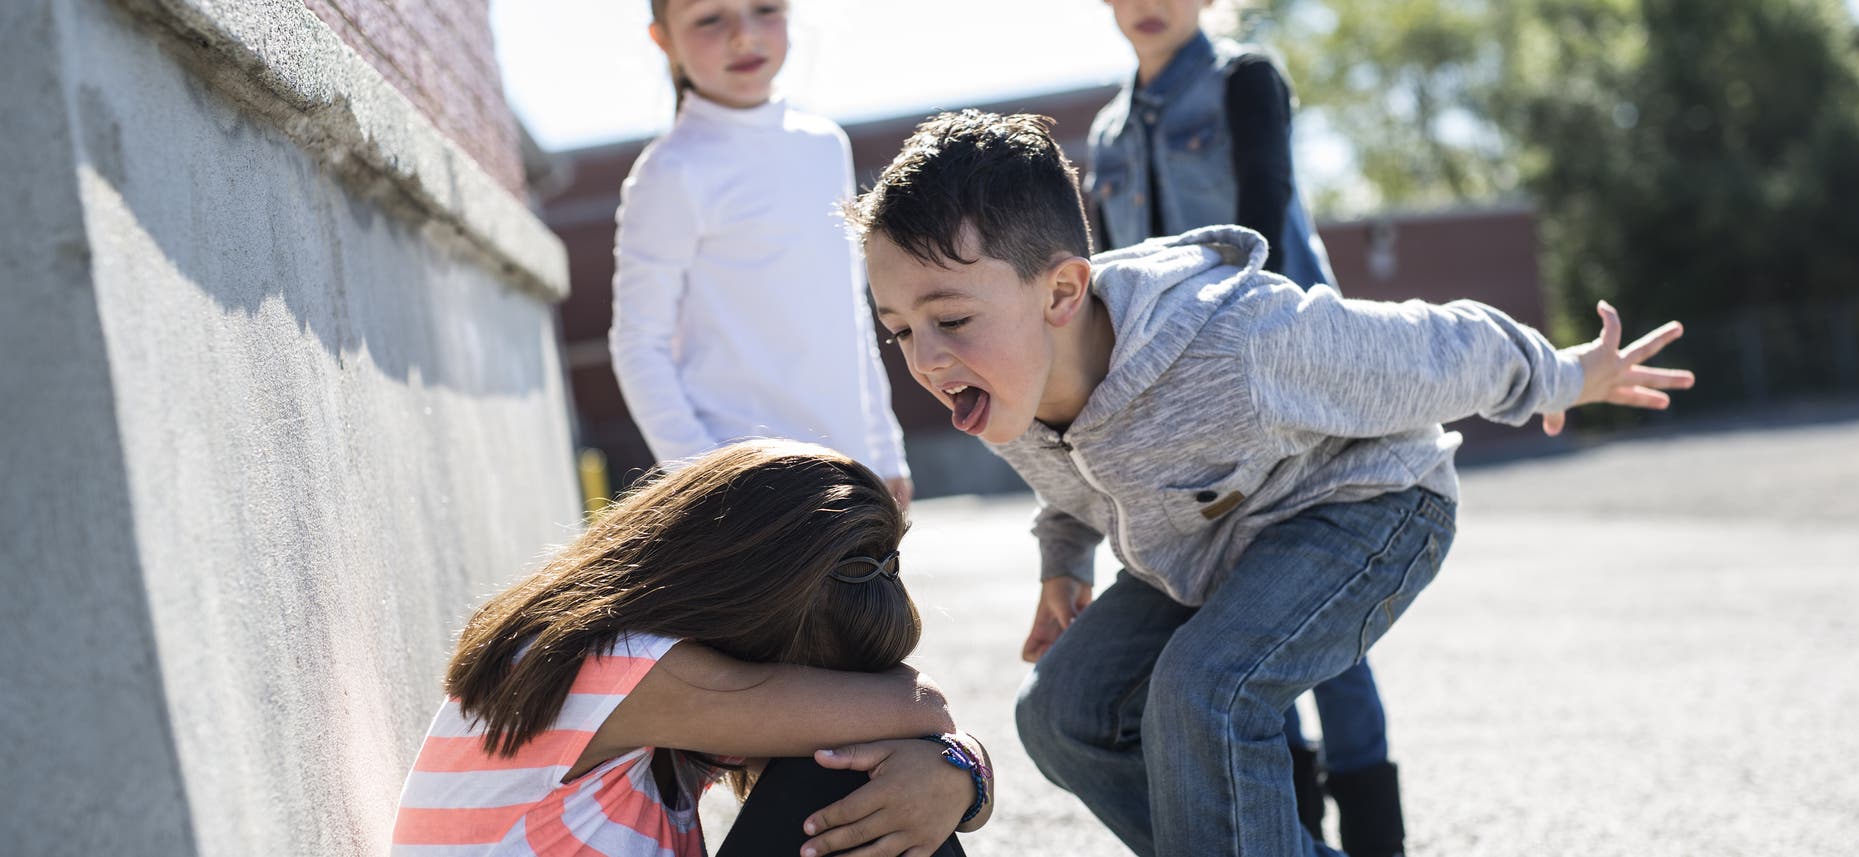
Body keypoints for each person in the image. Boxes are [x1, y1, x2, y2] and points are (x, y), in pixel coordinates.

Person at [849, 110, 1693, 857]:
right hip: (1212, 544)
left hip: (1368, 508)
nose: (925, 357)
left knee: (1203, 691)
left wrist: (1565, 374)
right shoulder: (1008, 383)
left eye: (950, 317)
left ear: (1063, 290)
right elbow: (1068, 483)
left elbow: (1432, 347)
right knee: (1062, 710)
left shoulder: (1239, 342)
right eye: (899, 331)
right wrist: (1062, 560)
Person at [1084, 1, 1389, 848]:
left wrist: (1278, 381)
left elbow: (1268, 213)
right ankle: (1292, 829)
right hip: (1181, 409)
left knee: (1321, 616)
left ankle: (1375, 836)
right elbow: (1110, 286)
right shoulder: (1105, 136)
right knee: (1241, 614)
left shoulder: (1245, 81)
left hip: (1287, 376)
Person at [388, 440, 994, 857]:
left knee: (872, 770)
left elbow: (910, 731)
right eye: (809, 678)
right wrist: (952, 760)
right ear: (747, 612)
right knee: (840, 776)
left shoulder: (636, 671)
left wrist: (956, 775)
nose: (820, 699)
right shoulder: (612, 666)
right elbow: (925, 710)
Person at [611, 0, 912, 506]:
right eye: (709, 18)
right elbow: (639, 343)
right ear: (664, 40)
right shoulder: (671, 170)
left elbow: (848, 311)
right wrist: (707, 481)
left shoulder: (824, 145)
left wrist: (884, 451)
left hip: (852, 471)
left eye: (764, 8)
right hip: (750, 489)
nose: (742, 35)